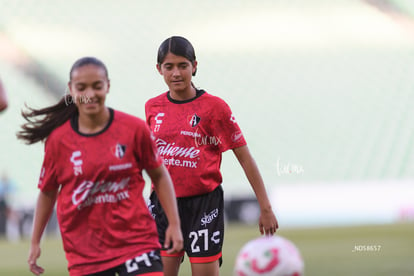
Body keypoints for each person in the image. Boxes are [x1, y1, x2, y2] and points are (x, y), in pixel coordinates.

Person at [17, 57, 183, 276]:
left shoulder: (134, 129)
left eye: (97, 86)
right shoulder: (59, 141)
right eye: (81, 87)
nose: (90, 94)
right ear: (71, 89)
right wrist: (35, 241)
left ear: (108, 85)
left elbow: (160, 176)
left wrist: (174, 224)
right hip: (85, 250)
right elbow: (48, 192)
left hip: (136, 242)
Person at [145, 36, 279, 276]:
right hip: (163, 204)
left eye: (182, 65)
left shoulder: (214, 108)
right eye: (169, 66)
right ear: (159, 69)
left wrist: (265, 207)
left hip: (204, 206)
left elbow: (245, 158)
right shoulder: (153, 107)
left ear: (194, 66)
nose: (176, 73)